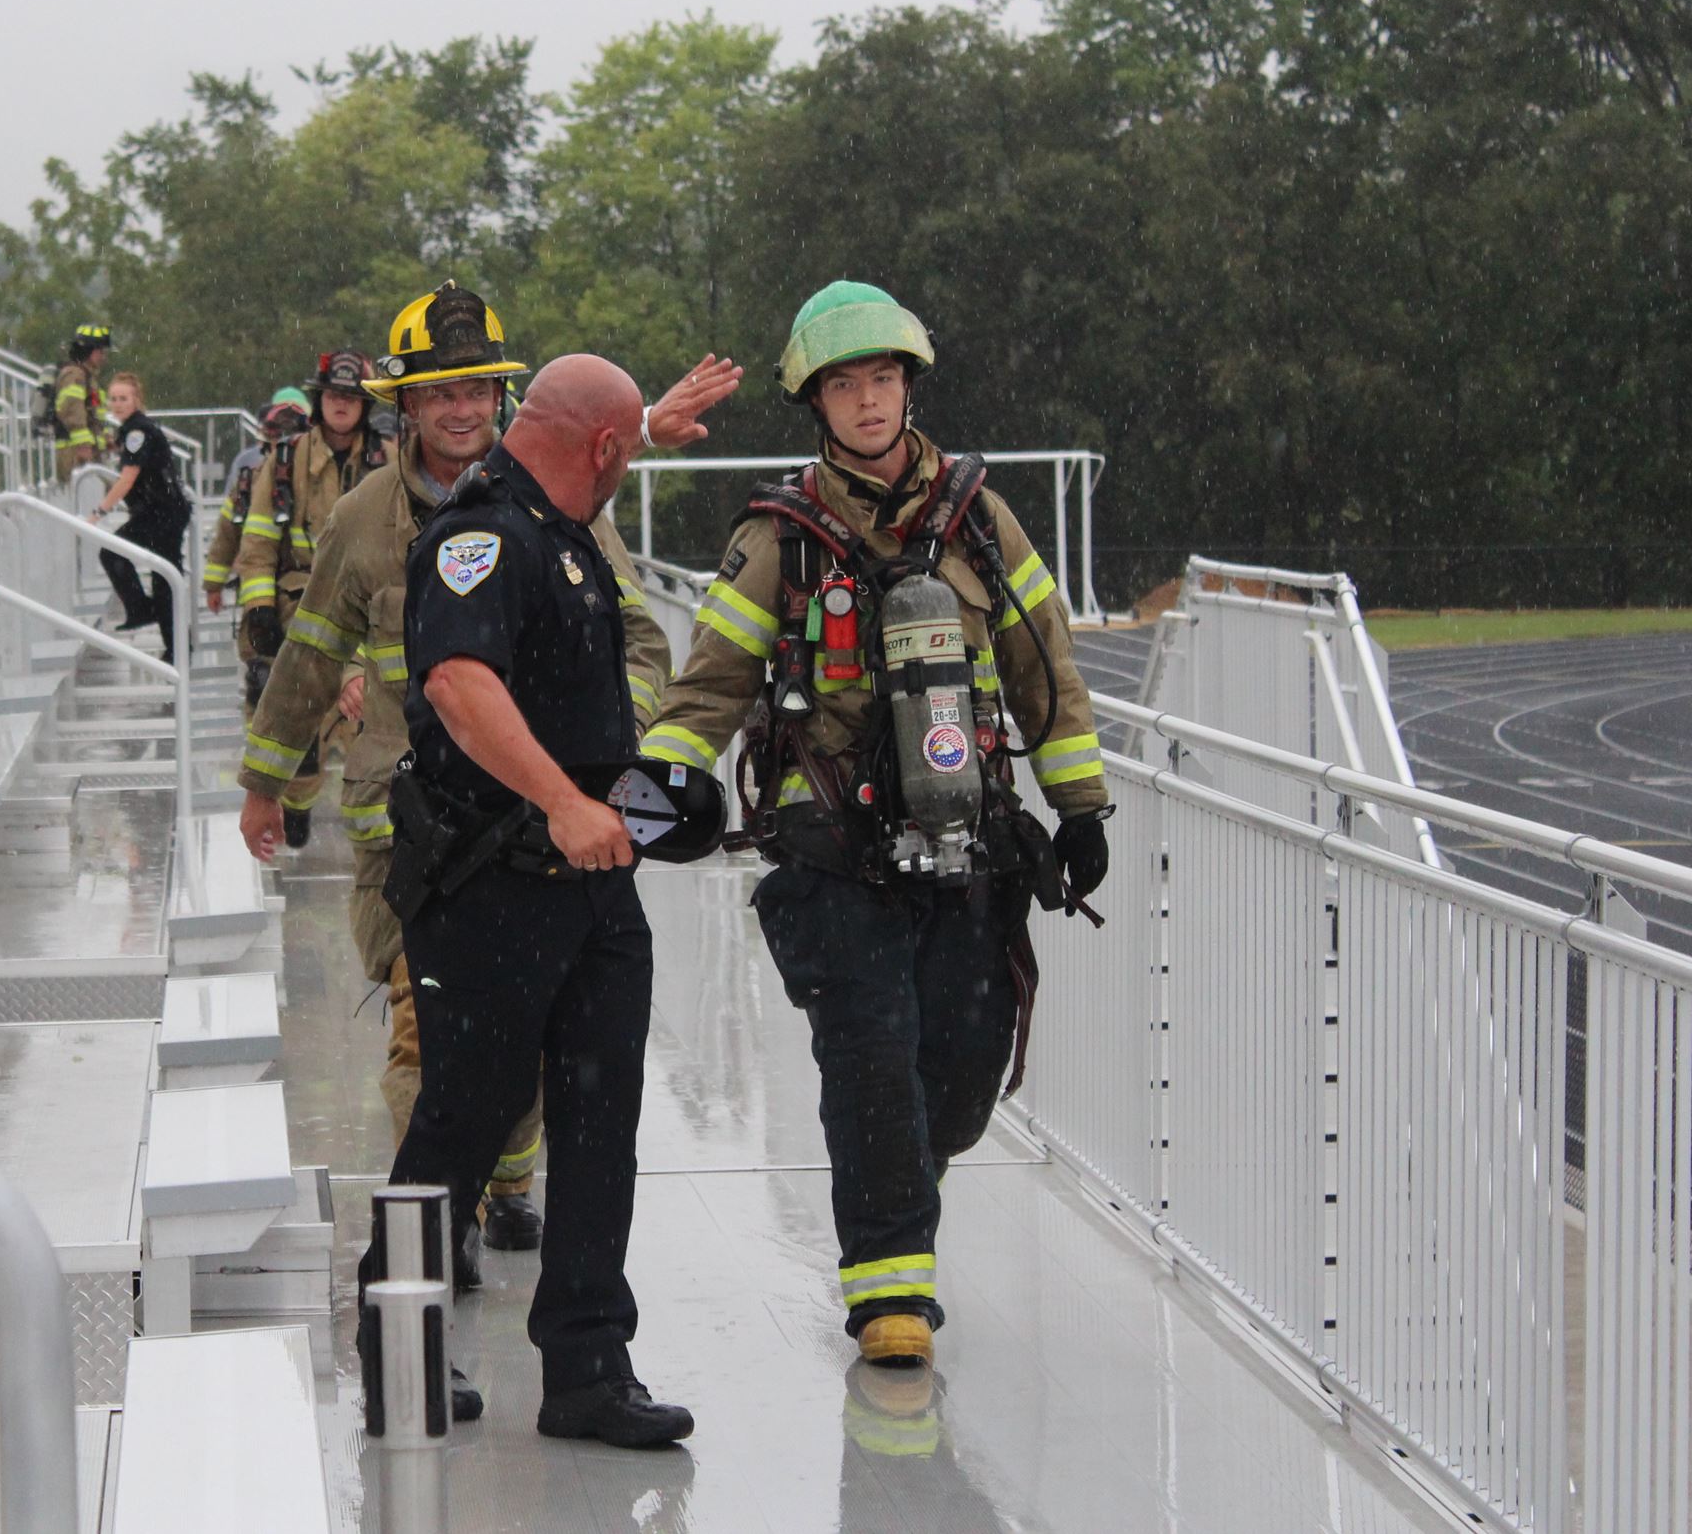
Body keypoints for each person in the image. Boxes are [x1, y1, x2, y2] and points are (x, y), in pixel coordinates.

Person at [640, 280, 1112, 1375]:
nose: (867, 401)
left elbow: (1044, 665)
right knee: (868, 1059)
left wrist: (1077, 801)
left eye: (883, 378)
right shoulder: (779, 536)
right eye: (845, 384)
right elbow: (710, 681)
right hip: (829, 848)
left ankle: (907, 1177)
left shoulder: (979, 519)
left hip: (970, 841)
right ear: (816, 402)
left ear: (907, 385)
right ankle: (890, 1289)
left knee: (950, 1077)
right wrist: (664, 777)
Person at [236, 282, 733, 1279]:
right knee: (430, 1035)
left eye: (475, 389)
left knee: (523, 1051)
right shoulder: (364, 517)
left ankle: (499, 1180)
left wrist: (613, 740)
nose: (458, 409)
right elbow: (310, 646)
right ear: (404, 408)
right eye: (437, 393)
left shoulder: (570, 510)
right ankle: (434, 1238)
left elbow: (636, 635)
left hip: (546, 832)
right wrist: (264, 778)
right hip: (403, 826)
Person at [363, 352, 709, 1449]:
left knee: (600, 1122)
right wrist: (562, 801)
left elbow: (579, 694)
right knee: (461, 1117)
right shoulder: (480, 538)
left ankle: (588, 1367)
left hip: (595, 889)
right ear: (601, 451)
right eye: (623, 449)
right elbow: (459, 685)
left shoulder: (565, 532)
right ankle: (394, 1349)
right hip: (491, 888)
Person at [230, 350, 392, 849]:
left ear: (364, 404)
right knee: (292, 721)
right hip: (297, 607)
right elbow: (257, 541)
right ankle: (293, 805)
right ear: (319, 400)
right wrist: (258, 607)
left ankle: (380, 834)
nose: (341, 405)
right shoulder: (284, 460)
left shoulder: (390, 460)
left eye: (351, 397)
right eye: (333, 396)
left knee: (374, 722)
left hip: (369, 607)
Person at [85, 371, 191, 665]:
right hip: (162, 511)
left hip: (162, 513)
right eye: (114, 399)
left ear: (137, 400)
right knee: (164, 579)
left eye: (124, 398)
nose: (117, 404)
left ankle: (144, 612)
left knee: (113, 553)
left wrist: (98, 512)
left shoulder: (137, 432)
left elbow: (127, 480)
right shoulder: (134, 429)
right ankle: (177, 649)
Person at [204, 385, 308, 617]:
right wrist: (214, 585)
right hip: (259, 587)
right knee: (259, 648)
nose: (281, 453)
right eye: (275, 443)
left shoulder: (316, 478)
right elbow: (226, 535)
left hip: (305, 588)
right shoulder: (247, 481)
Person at [36, 325, 113, 482]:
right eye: (100, 351)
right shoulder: (74, 375)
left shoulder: (87, 376)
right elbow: (71, 411)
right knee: (83, 498)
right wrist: (83, 445)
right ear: (88, 350)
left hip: (87, 451)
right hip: (75, 452)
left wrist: (106, 439)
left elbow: (95, 414)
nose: (103, 357)